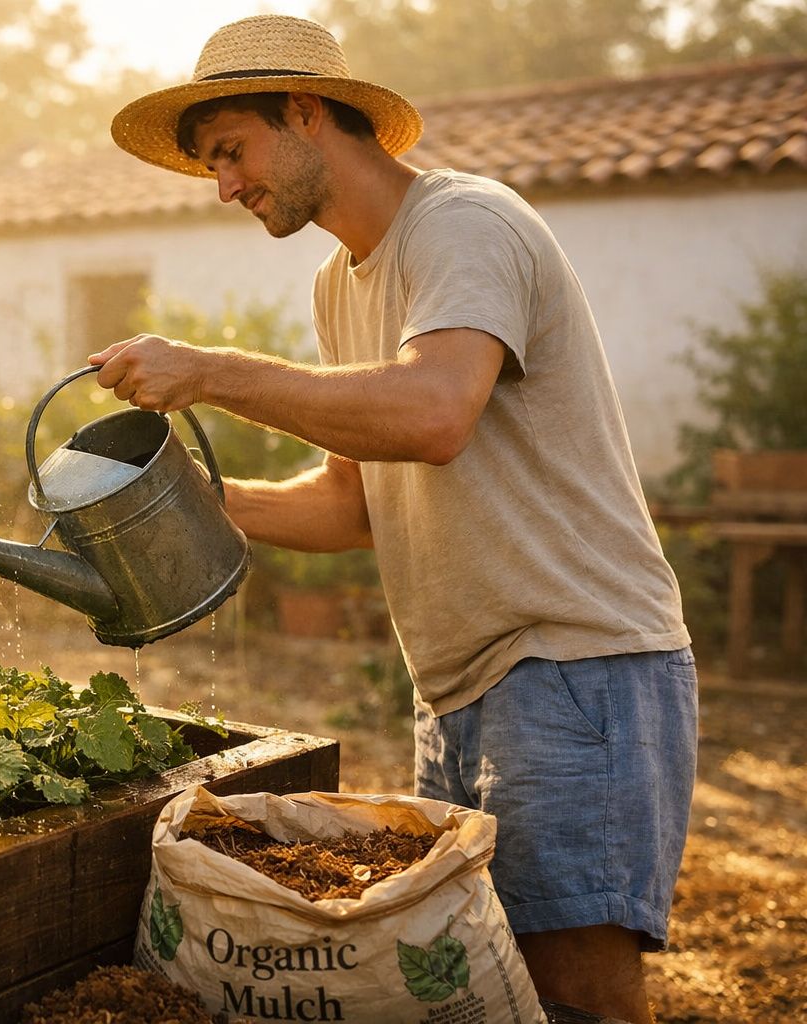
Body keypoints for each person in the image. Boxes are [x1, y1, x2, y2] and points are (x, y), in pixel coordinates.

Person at [94, 14, 697, 1024]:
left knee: (578, 996)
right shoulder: (342, 284)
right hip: (459, 692)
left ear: (305, 111)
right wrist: (174, 511)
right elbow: (349, 500)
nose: (225, 187)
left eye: (231, 152)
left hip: (577, 670)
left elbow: (432, 413)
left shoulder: (464, 225)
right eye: (210, 167)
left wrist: (205, 370)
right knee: (488, 995)